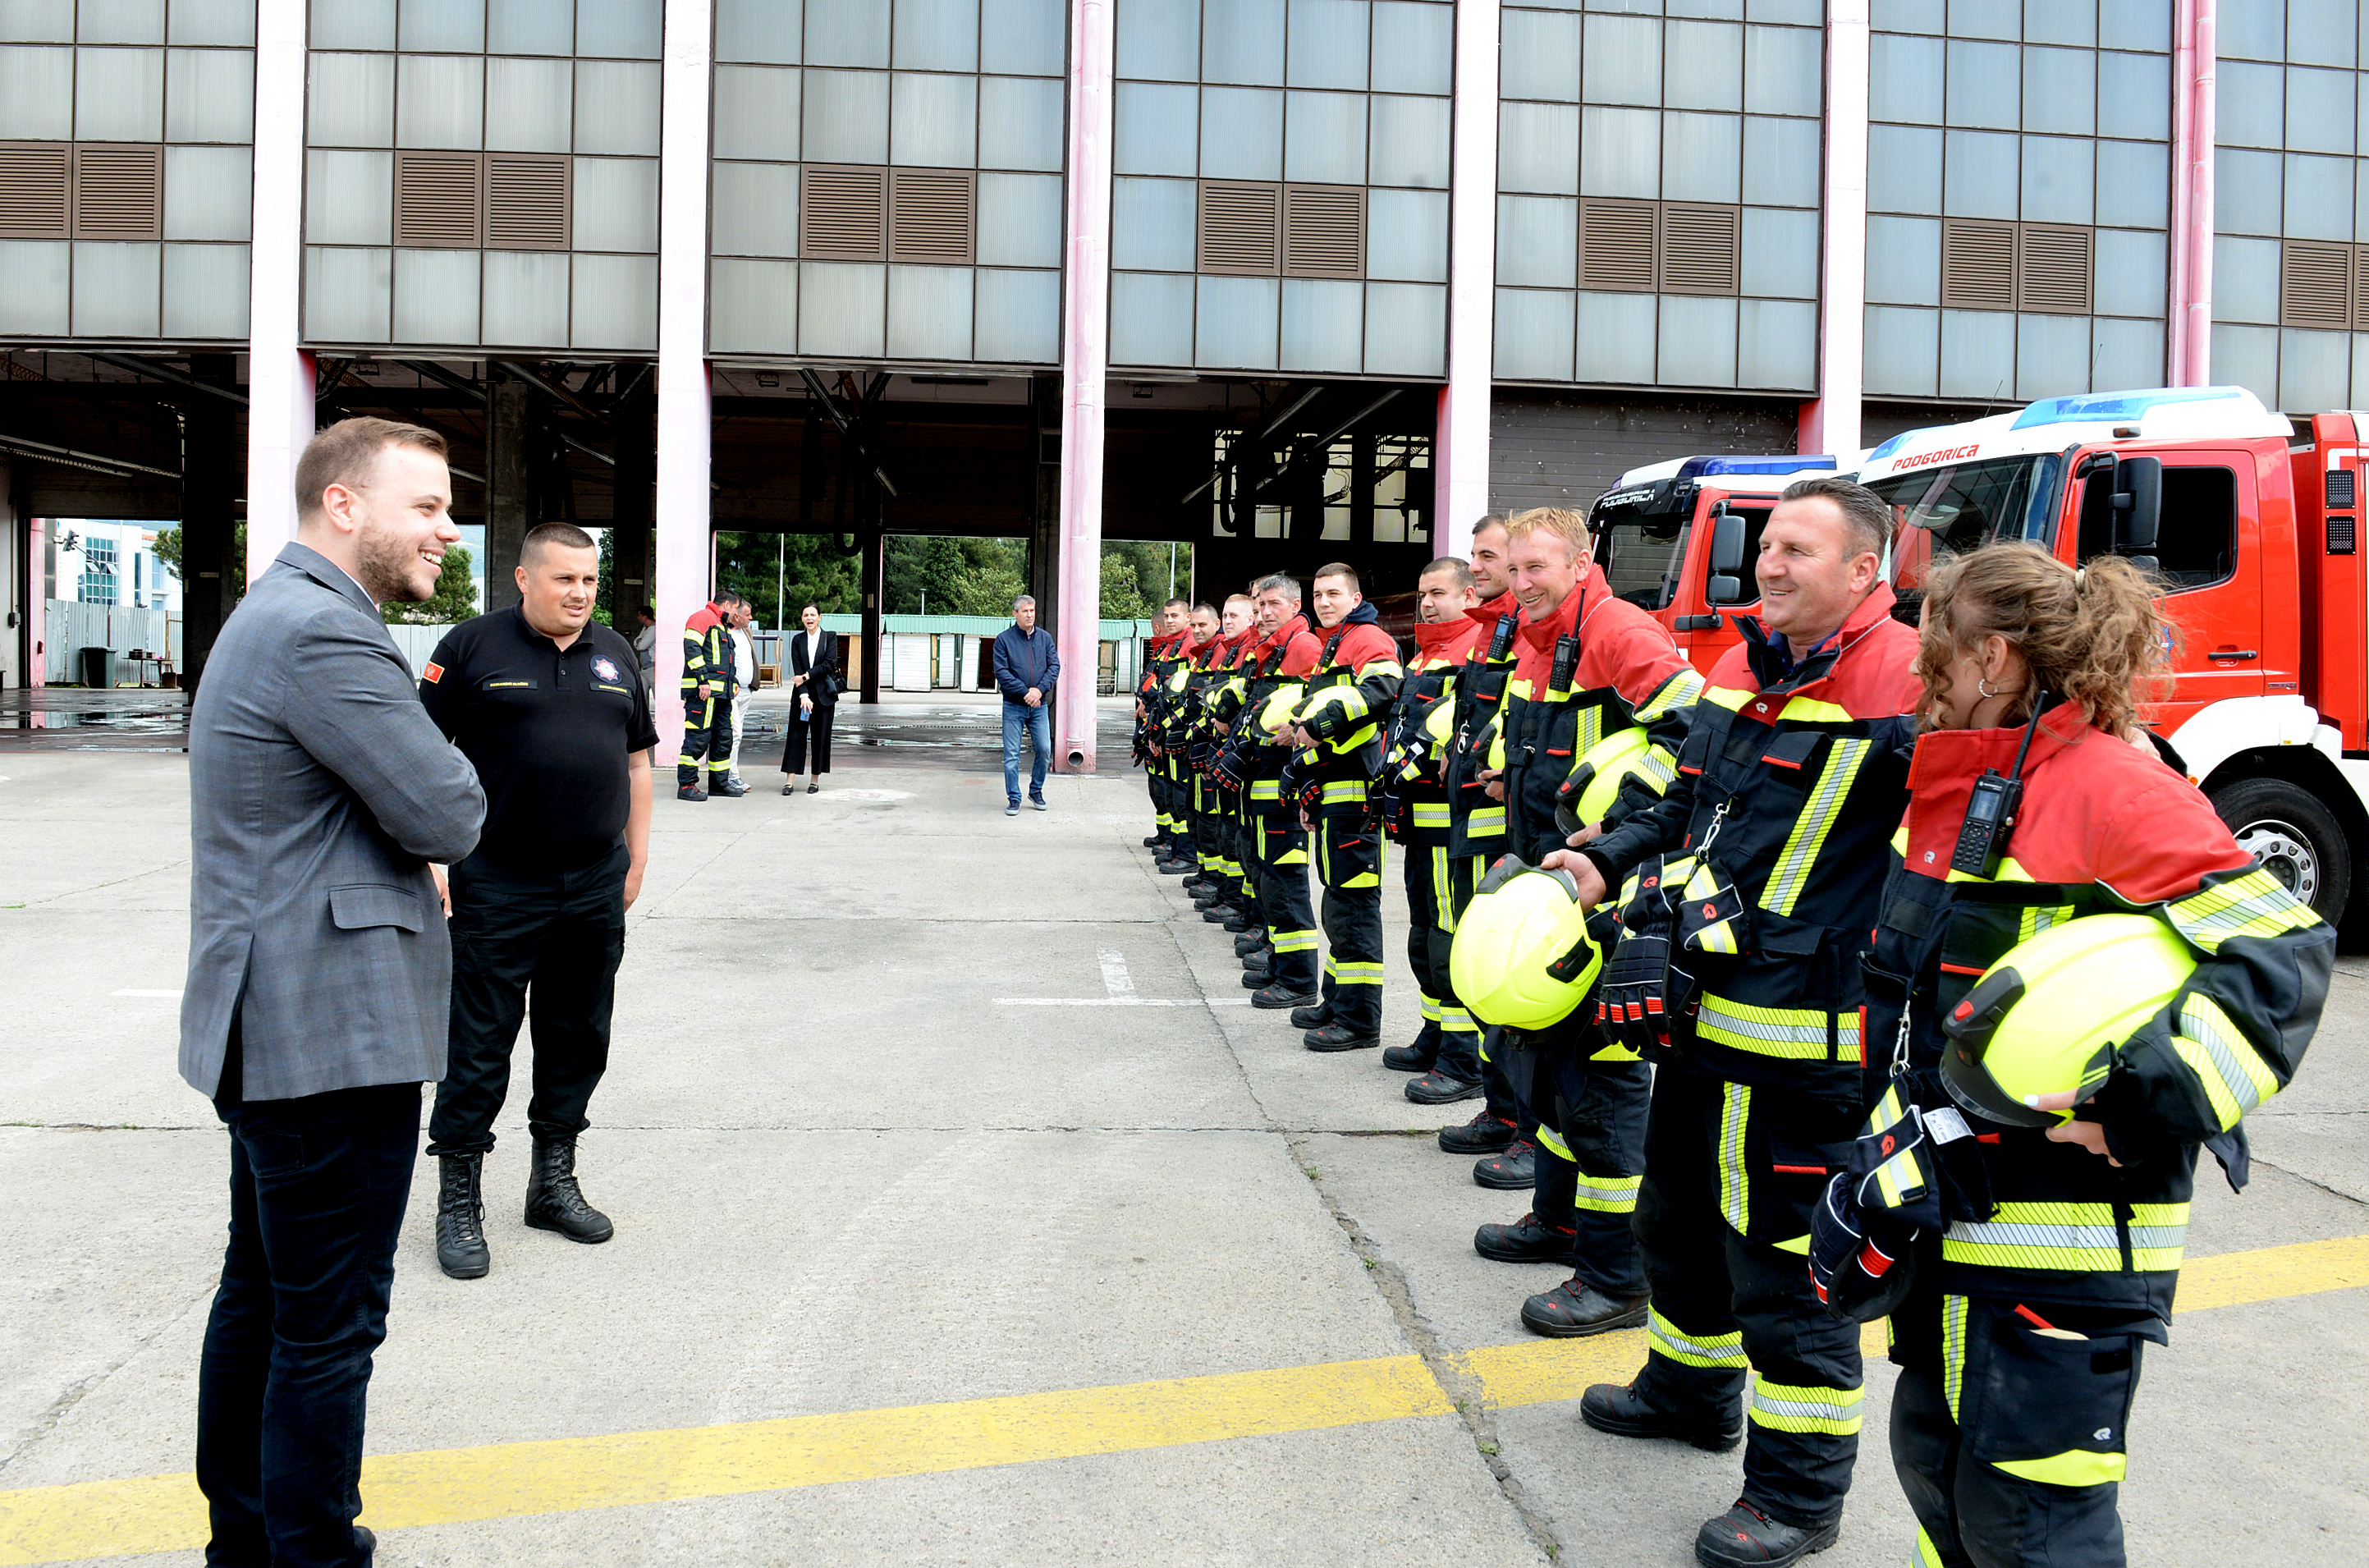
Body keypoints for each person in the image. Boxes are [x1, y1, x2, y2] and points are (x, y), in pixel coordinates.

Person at [1867, 543, 2328, 1568]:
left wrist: (2138, 1103)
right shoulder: (1968, 783)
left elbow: (2284, 952)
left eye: (1930, 649)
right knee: (1941, 1472)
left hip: (2063, 1247)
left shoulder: (2117, 787)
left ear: (1991, 658)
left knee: (2033, 1526)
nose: (1915, 671)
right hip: (1958, 1226)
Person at [1556, 477, 1923, 1568]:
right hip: (1703, 1018)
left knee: (1787, 1267)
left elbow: (1957, 856)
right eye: (1766, 545)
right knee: (1673, 1222)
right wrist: (1599, 859)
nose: (1768, 564)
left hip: (1808, 1044)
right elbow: (1674, 796)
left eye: (1797, 549)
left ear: (1867, 570)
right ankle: (1686, 1390)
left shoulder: (1907, 679)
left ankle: (1797, 1497)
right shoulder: (1738, 663)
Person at [181, 416, 486, 1567]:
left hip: (275, 1021)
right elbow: (449, 810)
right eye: (427, 507)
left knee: (261, 1296)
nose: (446, 533)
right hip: (328, 1032)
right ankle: (311, 1551)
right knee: (328, 1326)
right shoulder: (325, 633)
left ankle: (247, 1540)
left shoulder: (275, 615)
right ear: (343, 506)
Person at [1466, 507, 1702, 1341]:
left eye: (1538, 567)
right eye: (1514, 568)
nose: (1522, 582)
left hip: (1609, 895)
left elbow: (1692, 732)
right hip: (1552, 885)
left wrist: (1626, 824)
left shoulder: (1619, 630)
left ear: (1580, 559)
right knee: (1550, 1072)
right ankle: (1558, 1220)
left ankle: (1614, 1276)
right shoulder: (1537, 636)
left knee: (1602, 1089)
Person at [416, 520, 658, 1281]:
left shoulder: (617, 653)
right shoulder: (470, 649)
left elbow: (639, 761)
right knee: (479, 1044)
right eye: (564, 580)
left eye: (588, 581)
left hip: (592, 883)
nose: (579, 595)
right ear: (524, 579)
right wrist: (433, 860)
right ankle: (459, 1201)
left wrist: (637, 857)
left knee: (577, 1037)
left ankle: (552, 1183)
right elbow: (416, 757)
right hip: (494, 881)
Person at [1433, 516, 1535, 1174]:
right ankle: (1501, 1108)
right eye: (1477, 556)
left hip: (1514, 832)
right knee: (1484, 973)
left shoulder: (1532, 630)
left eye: (1489, 556)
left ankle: (1525, 1124)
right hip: (1476, 817)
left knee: (1513, 974)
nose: (1480, 567)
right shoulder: (1492, 629)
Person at [1284, 562, 1404, 1052]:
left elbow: (1382, 691)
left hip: (1356, 795)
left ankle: (1358, 1020)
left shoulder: (1367, 639)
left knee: (1352, 905)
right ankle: (1337, 1001)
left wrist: (1320, 725)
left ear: (1355, 599)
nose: (1324, 602)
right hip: (1335, 793)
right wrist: (1308, 778)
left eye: (1334, 594)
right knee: (1337, 902)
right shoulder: (1336, 642)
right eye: (1318, 594)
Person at [1379, 557, 1486, 1103]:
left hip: (1448, 822)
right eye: (1423, 593)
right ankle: (1435, 1033)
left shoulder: (1476, 648)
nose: (1426, 602)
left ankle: (1463, 1059)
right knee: (1424, 931)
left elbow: (1464, 725)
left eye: (1438, 593)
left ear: (1468, 595)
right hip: (1416, 818)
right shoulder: (1425, 651)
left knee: (1448, 936)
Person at [1237, 575, 1325, 1008]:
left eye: (1273, 604)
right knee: (1269, 880)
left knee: (1286, 882)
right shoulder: (1271, 649)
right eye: (1260, 605)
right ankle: (1279, 961)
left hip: (1283, 795)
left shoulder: (1304, 647)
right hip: (1262, 786)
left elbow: (1307, 718)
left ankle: (1298, 979)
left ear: (1294, 605)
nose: (1264, 612)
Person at [678, 590, 749, 800]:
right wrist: (703, 680)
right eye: (736, 609)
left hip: (722, 695)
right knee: (698, 739)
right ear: (727, 604)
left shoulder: (722, 626)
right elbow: (692, 648)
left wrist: (732, 682)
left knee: (723, 739)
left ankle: (719, 784)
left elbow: (724, 661)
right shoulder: (702, 618)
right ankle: (686, 786)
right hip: (703, 693)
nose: (736, 614)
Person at [994, 593, 1061, 815]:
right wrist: (1026, 692)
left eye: (1032, 610)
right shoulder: (1003, 640)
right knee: (1012, 754)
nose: (1030, 615)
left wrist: (1039, 691)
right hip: (1013, 706)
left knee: (1044, 748)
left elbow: (1054, 667)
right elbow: (1002, 673)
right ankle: (1014, 798)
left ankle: (1036, 790)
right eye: (1025, 611)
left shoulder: (1045, 639)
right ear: (1015, 614)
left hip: (1039, 706)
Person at [781, 601, 841, 794]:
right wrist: (804, 695)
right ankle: (789, 781)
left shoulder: (829, 637)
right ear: (802, 618)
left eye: (813, 615)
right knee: (795, 737)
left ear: (819, 617)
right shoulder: (797, 640)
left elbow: (829, 664)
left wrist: (807, 676)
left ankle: (814, 780)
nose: (809, 618)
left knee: (820, 738)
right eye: (806, 615)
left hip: (824, 698)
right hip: (802, 697)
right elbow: (797, 669)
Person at [726, 611, 758, 789]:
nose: (751, 618)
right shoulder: (727, 632)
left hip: (746, 691)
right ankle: (732, 776)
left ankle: (731, 774)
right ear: (737, 616)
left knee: (736, 735)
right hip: (733, 691)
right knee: (735, 734)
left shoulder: (746, 633)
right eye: (747, 614)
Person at [633, 604, 657, 686]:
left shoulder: (654, 629)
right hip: (644, 667)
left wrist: (639, 642)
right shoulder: (645, 628)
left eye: (639, 615)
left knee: (656, 694)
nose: (638, 618)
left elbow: (641, 646)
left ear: (645, 617)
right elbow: (635, 641)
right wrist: (639, 642)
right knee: (642, 694)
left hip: (652, 667)